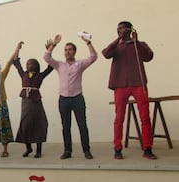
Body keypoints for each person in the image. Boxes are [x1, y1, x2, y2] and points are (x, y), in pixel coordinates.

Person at [102, 21, 157, 160]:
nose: (120, 31)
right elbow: (105, 53)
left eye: (123, 29)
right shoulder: (116, 46)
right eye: (118, 29)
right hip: (120, 85)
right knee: (119, 117)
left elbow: (149, 56)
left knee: (145, 117)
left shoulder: (139, 44)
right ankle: (117, 148)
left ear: (130, 30)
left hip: (139, 84)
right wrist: (118, 39)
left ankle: (147, 148)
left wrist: (136, 41)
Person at [44, 34, 97, 160]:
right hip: (63, 99)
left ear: (74, 52)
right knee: (66, 126)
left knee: (82, 125)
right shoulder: (59, 65)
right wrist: (53, 45)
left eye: (70, 49)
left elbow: (93, 57)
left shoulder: (80, 64)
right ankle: (67, 150)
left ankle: (86, 150)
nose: (67, 52)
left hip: (77, 98)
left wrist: (88, 43)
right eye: (66, 50)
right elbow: (46, 57)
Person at [13, 41, 53, 158]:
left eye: (30, 63)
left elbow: (51, 66)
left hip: (36, 102)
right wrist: (17, 48)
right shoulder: (23, 74)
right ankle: (28, 148)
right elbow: (16, 62)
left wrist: (49, 50)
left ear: (35, 65)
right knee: (25, 124)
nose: (28, 65)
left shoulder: (40, 75)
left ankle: (39, 151)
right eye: (27, 63)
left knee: (39, 124)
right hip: (26, 102)